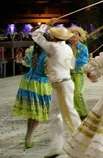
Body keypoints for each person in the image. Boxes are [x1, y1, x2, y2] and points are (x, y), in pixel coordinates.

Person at [31, 19, 81, 158]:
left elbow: (36, 36)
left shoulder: (54, 47)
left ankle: (82, 141)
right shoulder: (67, 48)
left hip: (61, 84)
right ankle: (57, 147)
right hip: (63, 83)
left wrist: (46, 25)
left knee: (68, 114)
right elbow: (72, 65)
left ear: (54, 37)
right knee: (57, 115)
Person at [13, 33, 52, 149]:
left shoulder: (32, 51)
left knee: (33, 113)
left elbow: (25, 62)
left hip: (28, 82)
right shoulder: (47, 54)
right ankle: (29, 138)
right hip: (40, 84)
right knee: (37, 113)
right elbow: (47, 71)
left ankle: (28, 136)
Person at [68, 26, 90, 120]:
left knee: (78, 93)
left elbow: (84, 60)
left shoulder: (83, 47)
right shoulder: (68, 47)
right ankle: (76, 112)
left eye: (76, 34)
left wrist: (70, 61)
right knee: (71, 94)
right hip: (69, 73)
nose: (74, 36)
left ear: (79, 36)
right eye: (72, 34)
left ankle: (84, 113)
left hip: (79, 73)